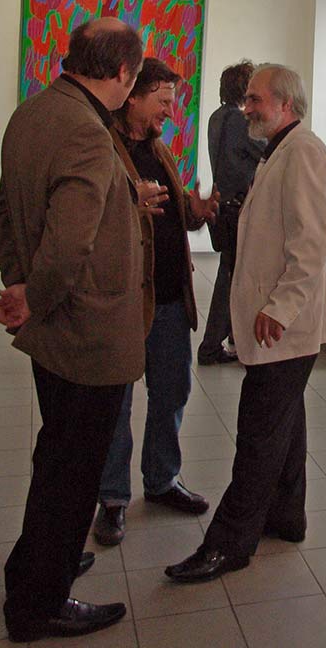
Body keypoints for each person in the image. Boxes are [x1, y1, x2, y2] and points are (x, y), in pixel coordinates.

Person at [0, 17, 146, 642]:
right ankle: (40, 603)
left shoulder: (31, 112)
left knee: (56, 455)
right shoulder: (85, 129)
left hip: (55, 331)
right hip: (85, 333)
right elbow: (70, 242)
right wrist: (33, 295)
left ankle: (35, 565)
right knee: (73, 471)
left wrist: (19, 283)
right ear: (123, 74)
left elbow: (4, 212)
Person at [164, 64, 326, 583]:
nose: (247, 108)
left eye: (256, 99)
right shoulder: (279, 149)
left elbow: (311, 246)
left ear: (285, 103)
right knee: (285, 422)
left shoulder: (304, 152)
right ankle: (287, 517)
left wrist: (280, 308)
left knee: (258, 433)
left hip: (285, 325)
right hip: (276, 324)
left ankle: (229, 543)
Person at [92, 57, 218, 545]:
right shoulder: (103, 147)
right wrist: (129, 203)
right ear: (134, 97)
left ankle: (162, 480)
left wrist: (194, 210)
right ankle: (112, 498)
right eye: (163, 100)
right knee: (117, 403)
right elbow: (90, 214)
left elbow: (172, 208)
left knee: (172, 393)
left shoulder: (157, 147)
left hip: (168, 299)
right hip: (123, 301)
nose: (170, 110)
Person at [197, 60, 264, 366]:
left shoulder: (216, 116)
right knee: (232, 279)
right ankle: (212, 345)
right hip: (237, 208)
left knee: (230, 273)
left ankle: (231, 339)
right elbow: (265, 151)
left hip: (223, 206)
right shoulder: (238, 120)